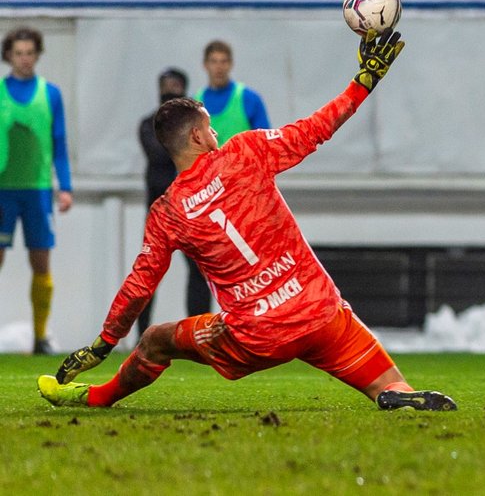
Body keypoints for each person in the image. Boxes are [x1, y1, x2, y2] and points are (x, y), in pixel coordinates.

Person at [37, 29, 456, 412]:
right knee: (390, 383)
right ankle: (397, 396)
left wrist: (103, 343)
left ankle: (94, 398)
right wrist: (363, 81)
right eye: (211, 127)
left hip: (256, 334)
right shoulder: (247, 152)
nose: (216, 132)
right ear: (199, 137)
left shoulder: (167, 211)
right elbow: (315, 129)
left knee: (155, 340)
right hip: (320, 312)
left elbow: (139, 285)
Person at [0, 26, 73, 355]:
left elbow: (59, 144)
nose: (25, 59)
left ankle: (41, 336)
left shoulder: (51, 93)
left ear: (38, 55)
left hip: (39, 191)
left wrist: (65, 187)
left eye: (30, 53)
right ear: (8, 56)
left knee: (41, 262)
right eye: (19, 53)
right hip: (3, 190)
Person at [190, 40, 271, 316]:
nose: (219, 67)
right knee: (206, 270)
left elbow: (265, 147)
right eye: (214, 61)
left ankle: (257, 321)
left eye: (224, 61)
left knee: (252, 266)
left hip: (246, 199)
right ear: (205, 65)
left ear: (231, 64)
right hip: (209, 203)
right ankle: (200, 329)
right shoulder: (194, 104)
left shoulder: (248, 99)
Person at [136, 67, 210, 339]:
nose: (170, 90)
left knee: (200, 271)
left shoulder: (195, 129)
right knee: (148, 274)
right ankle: (142, 335)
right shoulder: (148, 124)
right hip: (160, 210)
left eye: (176, 86)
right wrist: (181, 145)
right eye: (166, 85)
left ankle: (198, 332)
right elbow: (158, 155)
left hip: (191, 208)